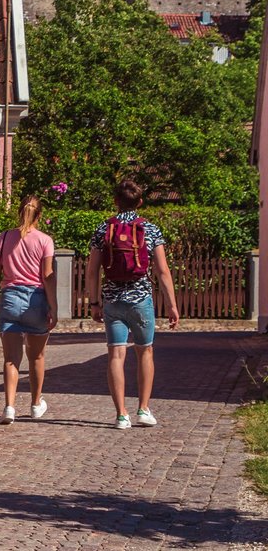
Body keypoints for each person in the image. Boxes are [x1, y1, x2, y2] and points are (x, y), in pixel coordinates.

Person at [86, 179, 179, 429]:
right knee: (145, 352)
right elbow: (162, 271)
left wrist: (94, 302)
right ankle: (143, 409)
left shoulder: (103, 229)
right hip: (141, 301)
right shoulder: (150, 229)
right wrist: (171, 305)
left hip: (113, 301)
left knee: (116, 354)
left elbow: (93, 270)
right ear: (140, 202)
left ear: (115, 201)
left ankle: (121, 415)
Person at [0, 195, 58, 425]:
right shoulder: (45, 240)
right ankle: (36, 405)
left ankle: (9, 407)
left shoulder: (5, 237)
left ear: (19, 212)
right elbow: (47, 276)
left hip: (9, 298)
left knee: (11, 359)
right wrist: (53, 306)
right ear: (39, 215)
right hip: (35, 300)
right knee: (37, 356)